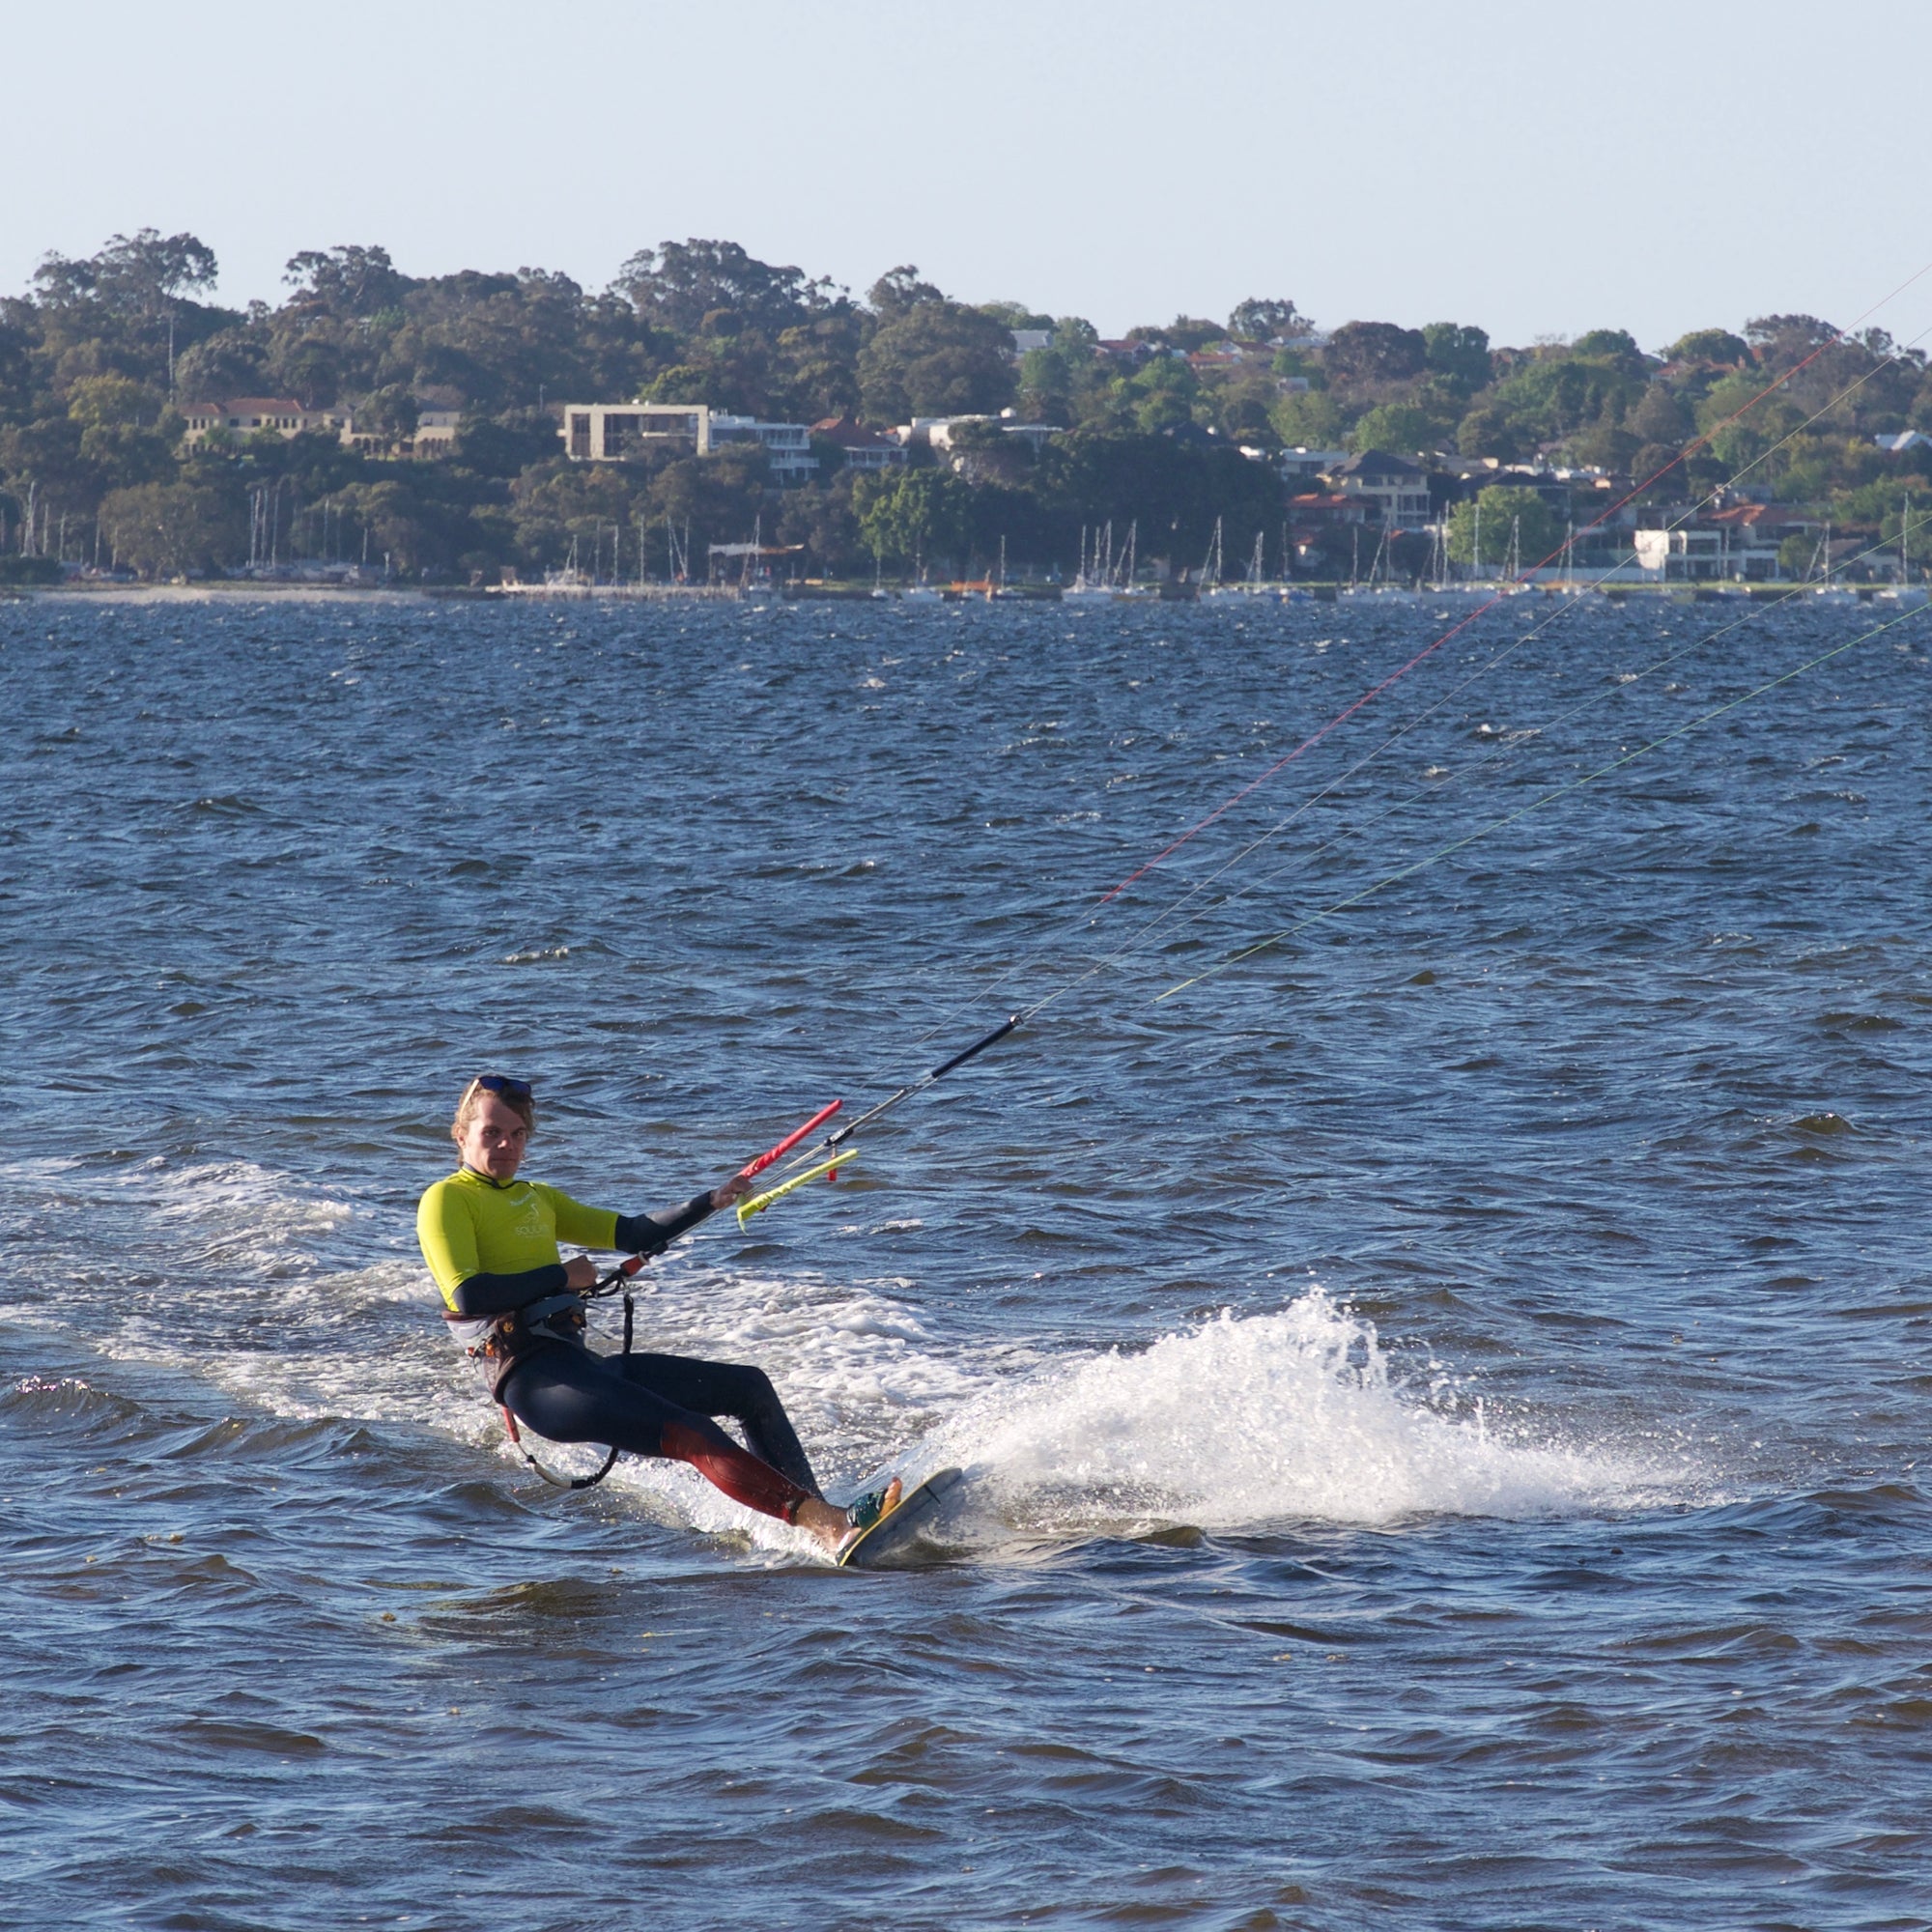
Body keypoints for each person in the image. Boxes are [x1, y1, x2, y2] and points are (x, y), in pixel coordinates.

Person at [416, 1073, 896, 1554]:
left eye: (518, 1134)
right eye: (491, 1133)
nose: (506, 1144)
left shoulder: (538, 1198)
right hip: (535, 1383)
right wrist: (562, 1276)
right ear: (461, 1135)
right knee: (691, 1434)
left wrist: (712, 1200)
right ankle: (833, 1525)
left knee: (750, 1388)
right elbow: (468, 1296)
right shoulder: (447, 1199)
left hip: (583, 1367)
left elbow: (633, 1233)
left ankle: (823, 1522)